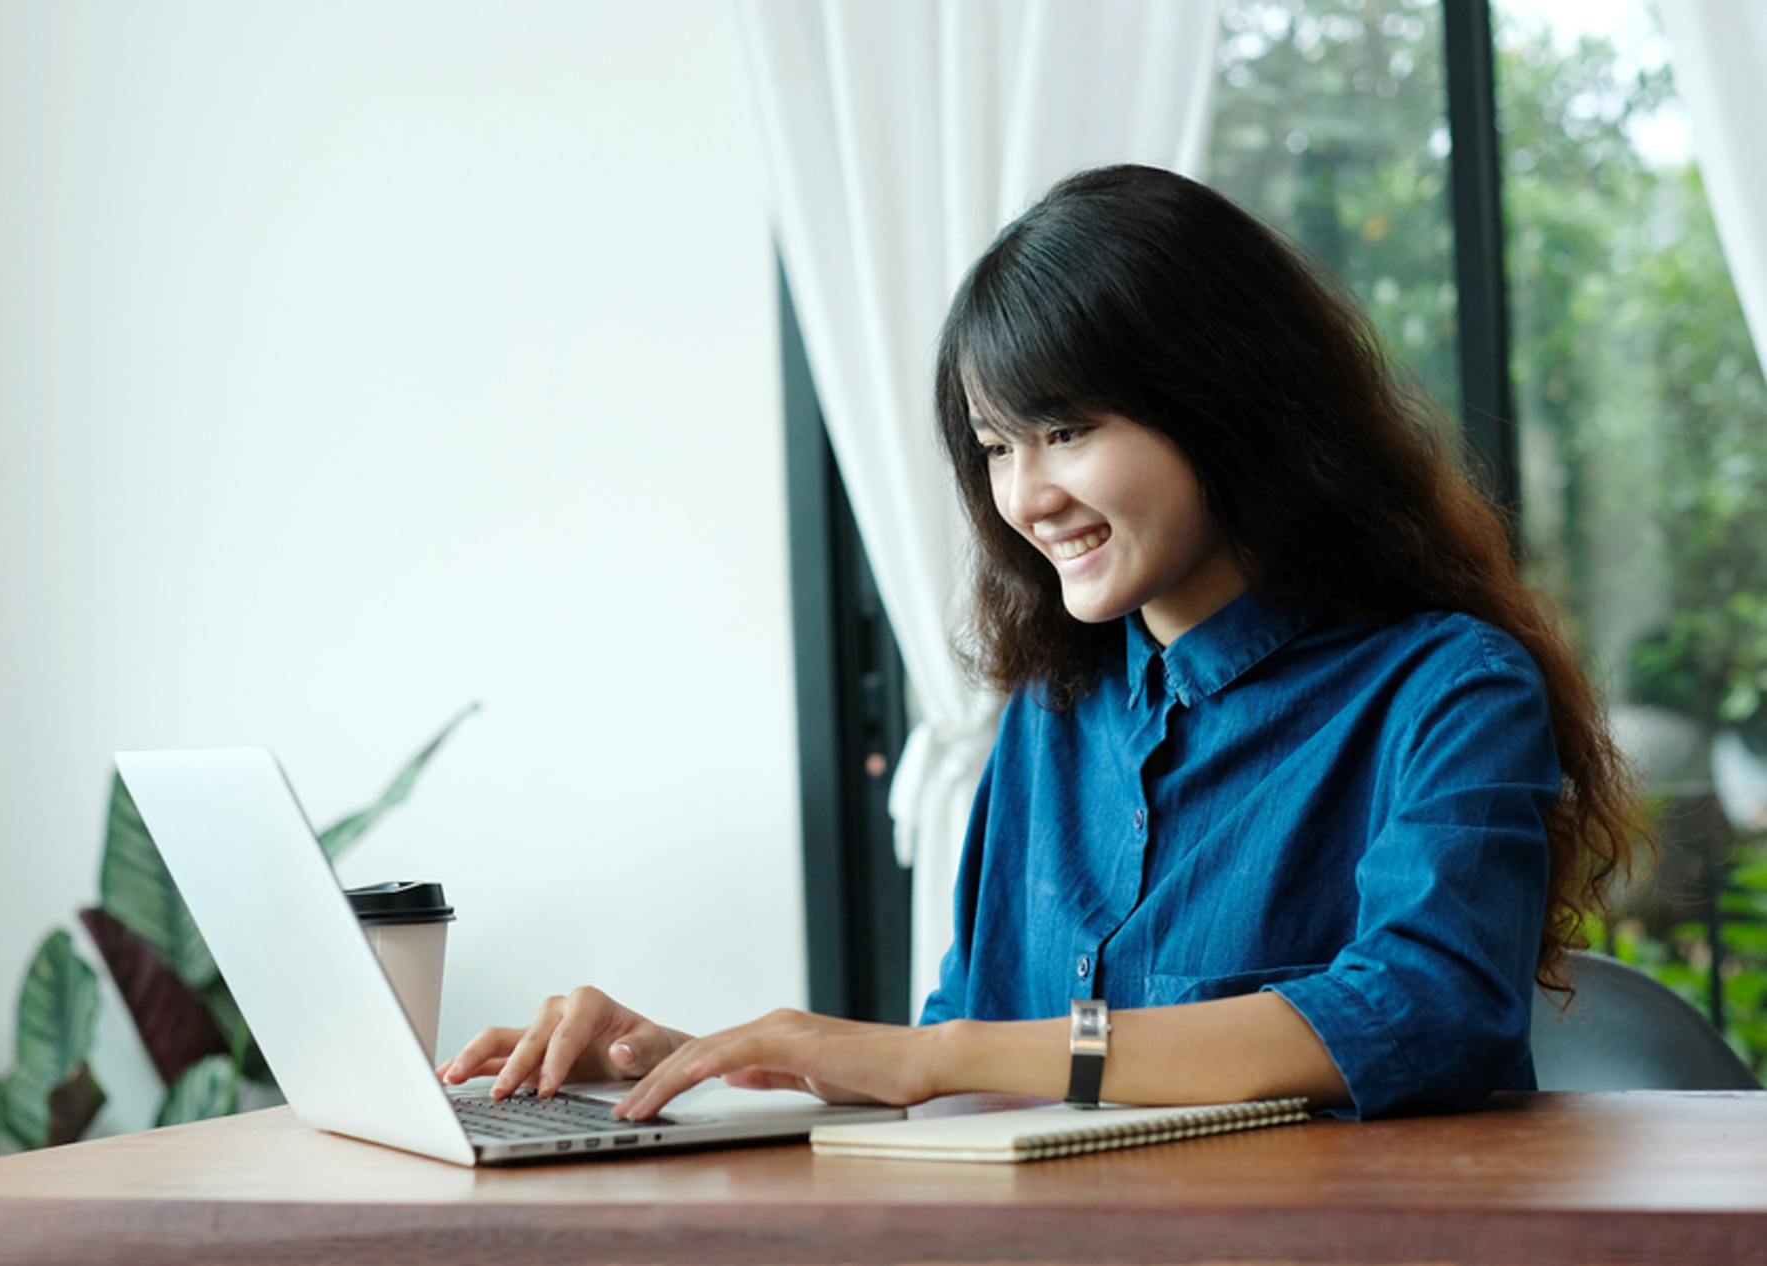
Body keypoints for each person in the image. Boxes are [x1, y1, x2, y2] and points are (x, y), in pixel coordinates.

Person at [440, 165, 1643, 1120]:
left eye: (1067, 428)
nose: (1028, 494)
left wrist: (942, 1054)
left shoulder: (1445, 690)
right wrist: (685, 1066)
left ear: (1227, 404)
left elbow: (1425, 1013)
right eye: (996, 444)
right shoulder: (1054, 718)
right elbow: (959, 1077)